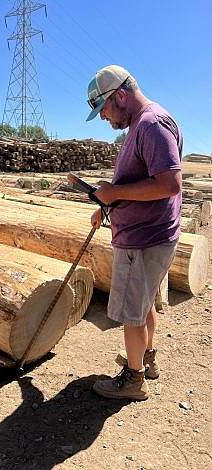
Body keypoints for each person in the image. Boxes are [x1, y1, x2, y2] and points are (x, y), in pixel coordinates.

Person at [86, 65, 182, 401]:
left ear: (120, 96)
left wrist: (112, 194)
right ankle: (148, 359)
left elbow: (169, 184)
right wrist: (108, 204)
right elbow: (138, 183)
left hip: (143, 240)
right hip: (149, 235)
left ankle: (133, 378)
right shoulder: (144, 124)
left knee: (131, 313)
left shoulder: (150, 124)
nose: (104, 118)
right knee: (143, 306)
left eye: (105, 109)